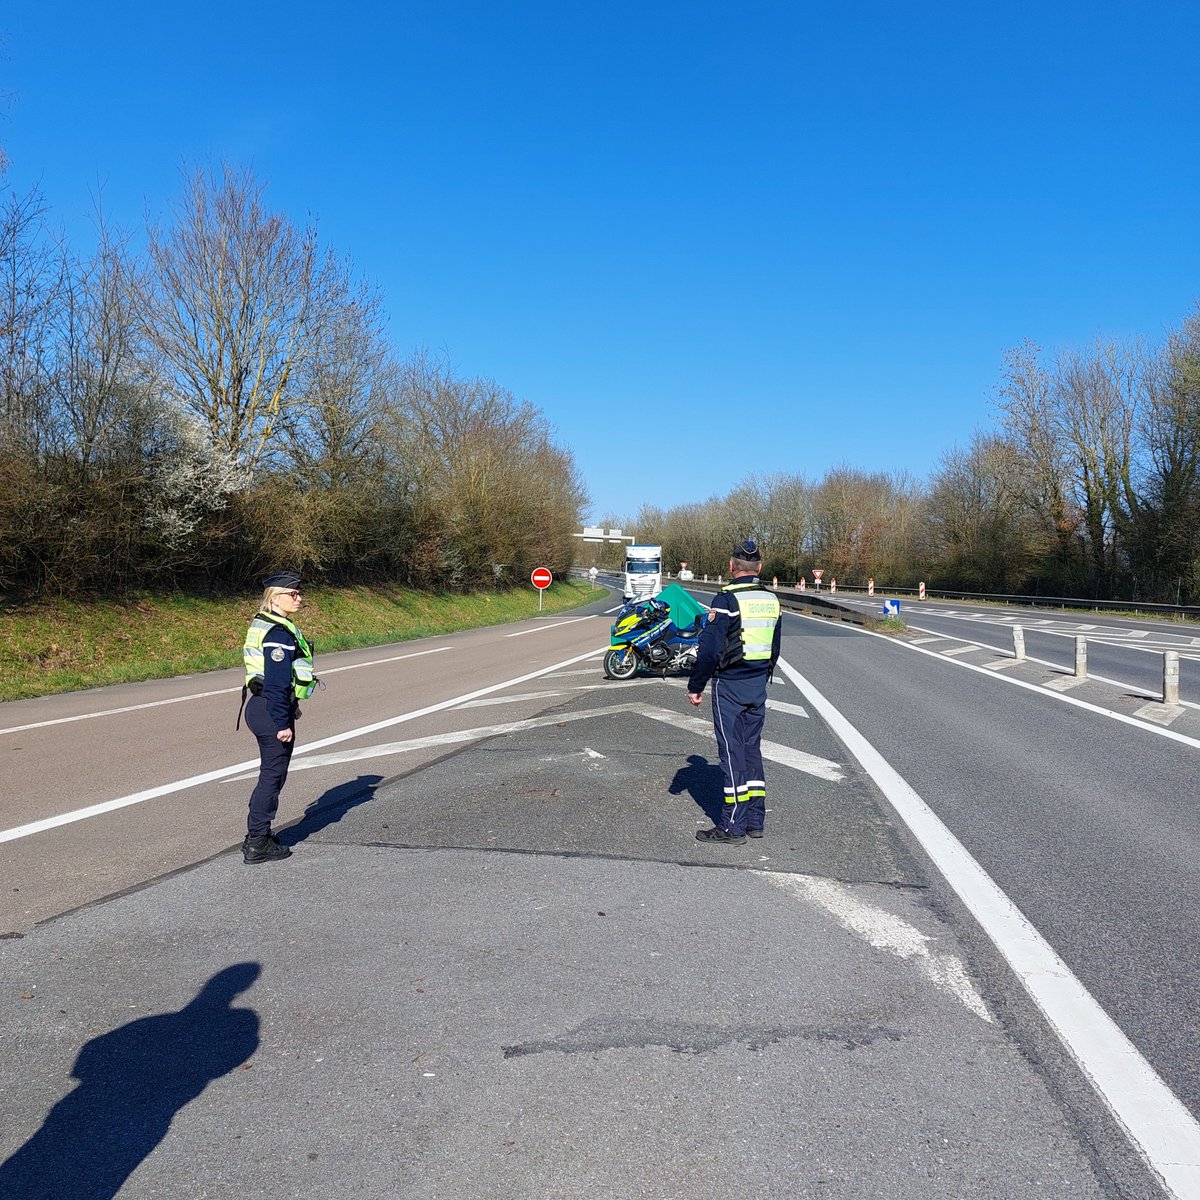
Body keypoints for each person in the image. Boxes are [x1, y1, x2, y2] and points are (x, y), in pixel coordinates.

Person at [686, 539, 782, 845]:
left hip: (731, 685)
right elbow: (775, 646)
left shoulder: (726, 600)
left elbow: (710, 649)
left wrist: (696, 685)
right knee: (751, 750)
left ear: (731, 566)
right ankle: (756, 821)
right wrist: (764, 675)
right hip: (758, 684)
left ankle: (732, 826)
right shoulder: (771, 600)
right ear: (760, 568)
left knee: (731, 753)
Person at [237, 570, 318, 864]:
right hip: (270, 710)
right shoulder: (278, 632)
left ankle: (257, 835)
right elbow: (276, 681)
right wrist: (282, 722)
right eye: (293, 594)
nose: (299, 598)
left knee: (270, 775)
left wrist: (291, 706)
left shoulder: (267, 624)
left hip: (265, 706)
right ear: (275, 597)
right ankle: (258, 842)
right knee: (272, 776)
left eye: (299, 593)